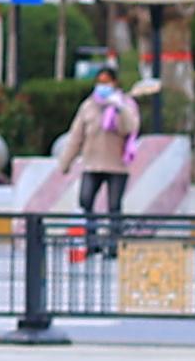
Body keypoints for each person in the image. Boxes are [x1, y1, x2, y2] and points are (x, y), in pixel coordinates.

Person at [52, 67, 145, 247]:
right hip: (92, 164)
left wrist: (119, 108)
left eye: (106, 82)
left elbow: (130, 128)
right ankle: (91, 242)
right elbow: (76, 136)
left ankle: (113, 245)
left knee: (114, 207)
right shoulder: (88, 106)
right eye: (99, 82)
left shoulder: (126, 104)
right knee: (85, 201)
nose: (102, 86)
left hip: (116, 165)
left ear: (115, 83)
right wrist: (65, 163)